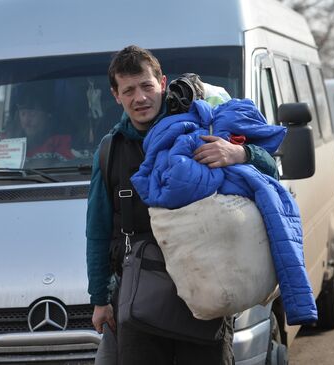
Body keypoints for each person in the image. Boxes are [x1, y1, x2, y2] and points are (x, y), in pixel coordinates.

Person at [86, 45, 279, 364]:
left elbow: (269, 169)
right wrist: (100, 299)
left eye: (146, 86)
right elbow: (97, 231)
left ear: (162, 83)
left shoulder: (205, 125)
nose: (140, 98)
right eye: (129, 90)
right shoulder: (110, 151)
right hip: (138, 302)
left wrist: (239, 154)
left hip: (206, 293)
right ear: (115, 95)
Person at [11, 83, 75, 162]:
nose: (26, 121)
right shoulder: (10, 144)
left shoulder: (61, 142)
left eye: (32, 114)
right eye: (23, 114)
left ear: (47, 115)